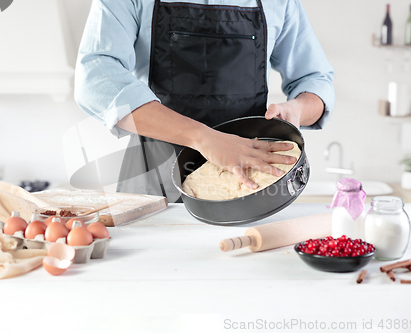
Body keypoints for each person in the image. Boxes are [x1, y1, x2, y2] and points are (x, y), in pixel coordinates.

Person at [75, 0, 335, 202]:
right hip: (154, 183)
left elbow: (316, 81)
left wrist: (297, 109)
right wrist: (204, 138)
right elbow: (95, 78)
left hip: (247, 186)